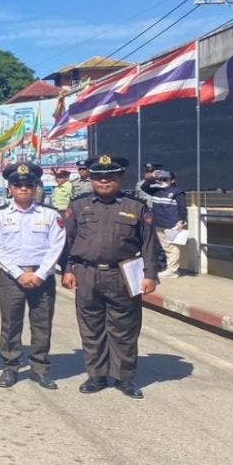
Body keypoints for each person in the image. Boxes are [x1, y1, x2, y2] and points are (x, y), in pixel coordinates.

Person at [62, 154, 158, 399]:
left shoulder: (136, 207)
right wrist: (68, 269)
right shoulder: (78, 206)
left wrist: (150, 275)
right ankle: (97, 375)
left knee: (124, 329)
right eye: (98, 177)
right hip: (87, 273)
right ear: (91, 178)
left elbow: (149, 244)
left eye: (110, 177)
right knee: (91, 328)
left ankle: (125, 378)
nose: (104, 181)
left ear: (120, 178)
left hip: (122, 274)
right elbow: (68, 242)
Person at [0, 163, 65, 389]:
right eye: (18, 185)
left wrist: (40, 274)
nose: (23, 189)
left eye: (29, 185)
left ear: (35, 187)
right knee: (11, 323)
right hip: (12, 277)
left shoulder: (50, 214)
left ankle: (40, 369)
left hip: (42, 276)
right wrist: (19, 274)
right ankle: (10, 368)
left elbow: (57, 245)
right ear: (10, 188)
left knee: (42, 323)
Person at [140, 169, 187, 278]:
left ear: (173, 180)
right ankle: (170, 269)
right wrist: (151, 177)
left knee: (172, 248)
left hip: (172, 224)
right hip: (158, 223)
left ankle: (172, 271)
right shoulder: (156, 190)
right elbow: (144, 187)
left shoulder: (177, 192)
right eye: (160, 179)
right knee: (165, 247)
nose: (162, 181)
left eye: (165, 179)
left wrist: (181, 221)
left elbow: (182, 208)